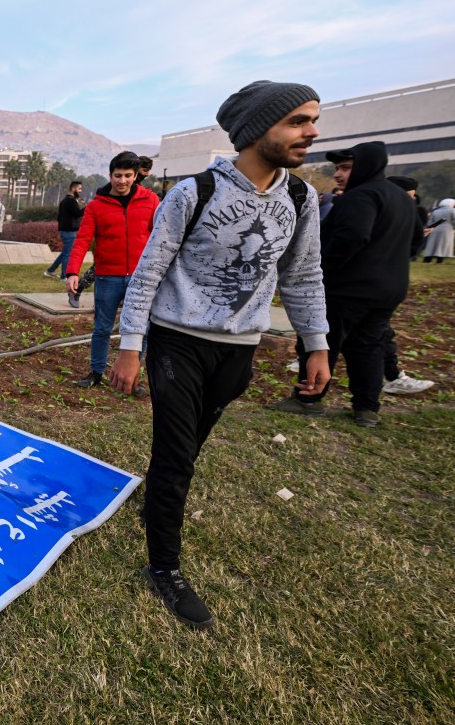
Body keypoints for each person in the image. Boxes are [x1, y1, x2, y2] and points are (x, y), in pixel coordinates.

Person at [112, 80, 330, 630]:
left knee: (189, 447)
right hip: (177, 342)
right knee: (176, 455)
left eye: (313, 119)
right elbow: (149, 272)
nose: (312, 131)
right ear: (258, 129)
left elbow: (303, 276)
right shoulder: (195, 192)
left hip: (238, 351)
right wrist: (131, 346)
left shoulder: (301, 199)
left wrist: (317, 344)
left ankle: (156, 503)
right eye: (298, 121)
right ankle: (164, 566)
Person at [268, 141, 423, 427]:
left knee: (320, 343)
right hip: (388, 290)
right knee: (369, 346)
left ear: (367, 167)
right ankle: (366, 408)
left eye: (346, 168)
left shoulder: (360, 196)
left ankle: (308, 399)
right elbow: (416, 241)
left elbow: (351, 237)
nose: (338, 174)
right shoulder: (402, 198)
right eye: (338, 168)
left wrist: (321, 270)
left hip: (347, 288)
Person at [65, 152, 160, 388]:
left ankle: (132, 376)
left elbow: (161, 236)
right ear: (110, 175)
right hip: (108, 277)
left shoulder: (151, 201)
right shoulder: (96, 206)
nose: (122, 181)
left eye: (128, 175)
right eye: (118, 175)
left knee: (141, 329)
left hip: (140, 278)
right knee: (102, 328)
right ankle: (96, 372)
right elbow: (82, 240)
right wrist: (72, 272)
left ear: (136, 176)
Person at [45, 181, 85, 279]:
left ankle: (50, 271)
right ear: (73, 189)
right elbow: (78, 213)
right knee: (67, 254)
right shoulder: (70, 201)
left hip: (66, 231)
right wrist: (87, 207)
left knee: (65, 253)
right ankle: (64, 276)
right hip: (69, 232)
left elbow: (60, 217)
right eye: (79, 189)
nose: (81, 191)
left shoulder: (65, 200)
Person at [421, 198, 454, 263]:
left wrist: (431, 227)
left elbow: (430, 222)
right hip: (447, 230)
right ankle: (439, 260)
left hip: (435, 229)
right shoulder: (452, 210)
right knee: (443, 245)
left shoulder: (436, 211)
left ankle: (427, 259)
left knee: (432, 244)